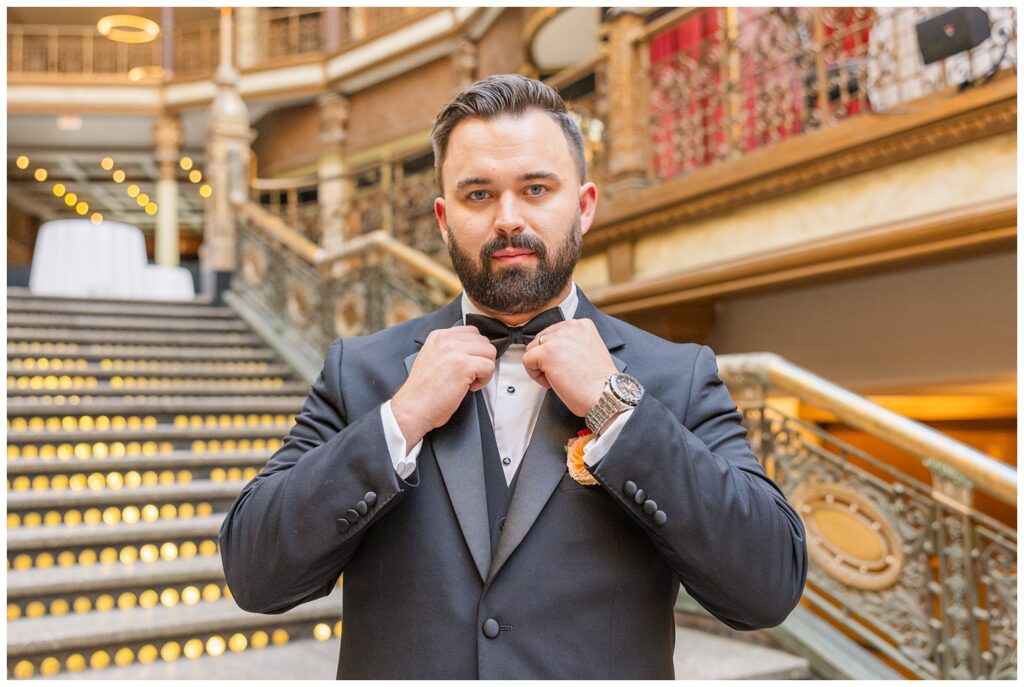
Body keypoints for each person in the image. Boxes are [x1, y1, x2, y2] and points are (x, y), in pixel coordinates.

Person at [219, 74, 807, 679]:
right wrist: (401, 419)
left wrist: (616, 409)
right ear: (444, 220)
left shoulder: (676, 376)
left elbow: (766, 587)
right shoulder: (360, 370)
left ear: (583, 206)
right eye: (479, 195)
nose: (507, 218)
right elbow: (255, 575)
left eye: (535, 188)